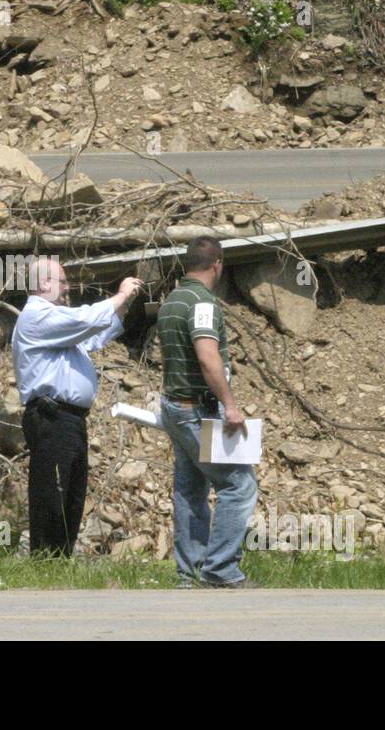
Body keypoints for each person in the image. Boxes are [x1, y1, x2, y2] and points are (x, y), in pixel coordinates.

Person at [11, 257, 143, 557]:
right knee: (52, 493)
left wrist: (125, 303)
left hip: (69, 419)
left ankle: (59, 559)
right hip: (51, 416)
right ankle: (45, 560)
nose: (68, 287)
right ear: (44, 283)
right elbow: (86, 320)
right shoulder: (36, 316)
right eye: (62, 281)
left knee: (71, 494)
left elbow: (95, 334)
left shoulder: (58, 324)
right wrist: (119, 295)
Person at [156, 236, 259, 588]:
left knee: (190, 490)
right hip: (194, 410)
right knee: (238, 486)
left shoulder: (172, 300)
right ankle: (221, 569)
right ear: (217, 263)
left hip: (175, 406)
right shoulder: (202, 303)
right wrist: (230, 405)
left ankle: (189, 573)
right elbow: (206, 356)